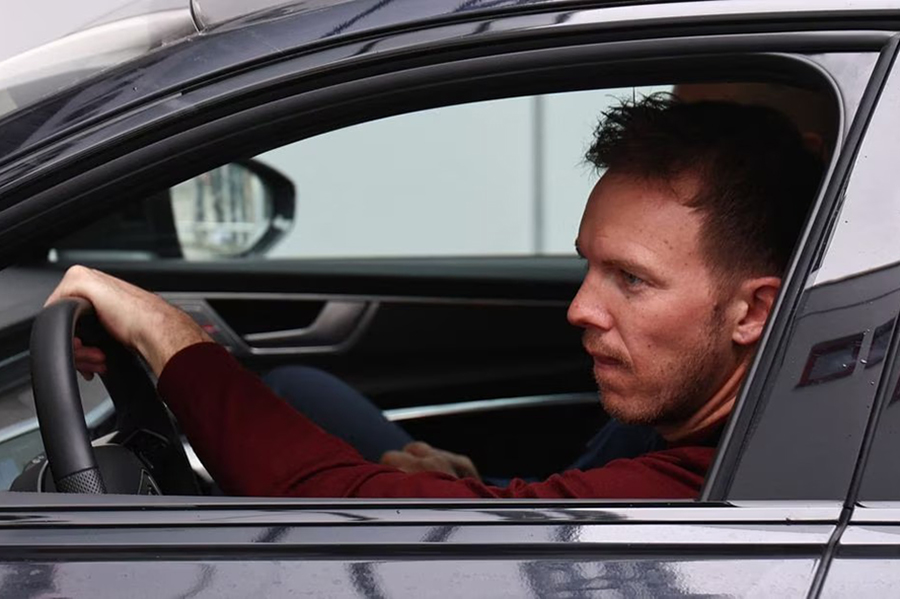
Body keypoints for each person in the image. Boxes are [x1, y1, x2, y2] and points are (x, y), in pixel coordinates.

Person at [56, 95, 822, 498]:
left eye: (632, 279)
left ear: (752, 310)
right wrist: (477, 489)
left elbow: (355, 517)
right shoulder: (710, 421)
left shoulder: (724, 487)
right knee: (300, 386)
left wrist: (169, 337)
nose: (581, 309)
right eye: (588, 266)